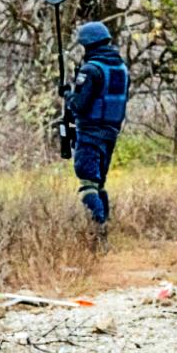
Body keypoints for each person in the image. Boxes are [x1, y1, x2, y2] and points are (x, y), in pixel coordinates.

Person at [66, 21, 130, 241]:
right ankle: (104, 228)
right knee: (99, 183)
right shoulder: (121, 69)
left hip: (90, 133)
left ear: (88, 44)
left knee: (87, 183)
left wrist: (67, 95)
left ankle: (99, 230)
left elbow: (79, 105)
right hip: (110, 133)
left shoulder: (91, 70)